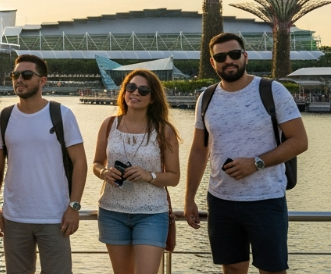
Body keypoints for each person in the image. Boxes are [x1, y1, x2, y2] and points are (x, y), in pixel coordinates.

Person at [185, 33, 309, 274]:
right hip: (221, 200)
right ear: (213, 62)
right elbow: (199, 150)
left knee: (272, 270)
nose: (228, 60)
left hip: (266, 200)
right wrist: (189, 198)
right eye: (220, 57)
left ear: (245, 56)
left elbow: (300, 141)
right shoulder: (206, 98)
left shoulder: (273, 90)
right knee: (231, 268)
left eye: (234, 54)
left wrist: (257, 163)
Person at [0, 54, 88, 274]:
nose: (19, 80)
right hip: (14, 218)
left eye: (26, 75)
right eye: (15, 75)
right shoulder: (5, 116)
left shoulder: (61, 114)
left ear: (42, 80)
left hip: (55, 217)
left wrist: (74, 207)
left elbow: (80, 162)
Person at [93, 69, 181, 274]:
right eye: (131, 88)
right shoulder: (109, 125)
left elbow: (175, 177)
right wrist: (104, 172)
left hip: (151, 214)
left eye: (143, 90)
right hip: (112, 212)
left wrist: (148, 175)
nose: (135, 93)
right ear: (124, 92)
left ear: (152, 99)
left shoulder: (164, 130)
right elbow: (96, 163)